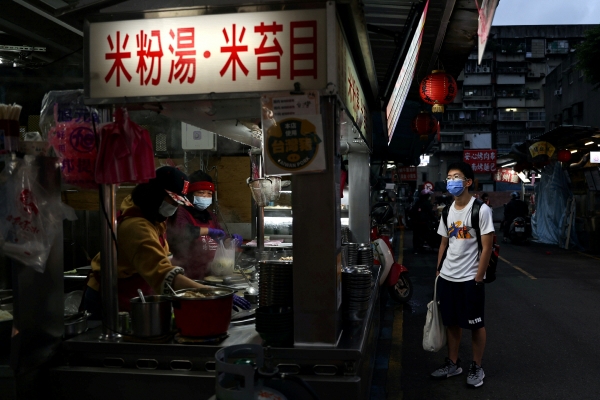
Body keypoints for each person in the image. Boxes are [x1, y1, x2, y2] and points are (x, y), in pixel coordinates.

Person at [84, 166, 250, 319]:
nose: (175, 208)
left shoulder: (156, 220)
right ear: (155, 194)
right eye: (173, 201)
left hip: (136, 293)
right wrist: (212, 292)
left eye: (178, 203)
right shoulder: (135, 226)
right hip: (109, 298)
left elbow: (165, 258)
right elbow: (162, 272)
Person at [431, 161, 494, 388]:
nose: (451, 181)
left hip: (470, 278)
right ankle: (453, 363)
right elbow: (444, 242)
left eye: (456, 177)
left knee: (476, 324)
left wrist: (479, 277)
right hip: (448, 277)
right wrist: (439, 271)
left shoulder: (481, 210)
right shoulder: (447, 210)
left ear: (467, 182)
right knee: (452, 323)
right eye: (449, 177)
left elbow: (487, 247)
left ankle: (477, 366)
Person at [167, 170, 243, 280]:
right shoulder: (180, 212)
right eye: (201, 193)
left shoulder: (210, 216)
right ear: (190, 194)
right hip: (186, 275)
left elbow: (221, 239)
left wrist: (231, 241)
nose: (205, 196)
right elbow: (182, 232)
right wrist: (209, 231)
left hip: (211, 274)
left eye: (209, 193)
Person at [412, 188, 435, 254]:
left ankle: (416, 248)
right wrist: (435, 220)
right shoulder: (426, 203)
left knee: (416, 236)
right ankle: (422, 246)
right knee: (425, 234)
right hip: (423, 223)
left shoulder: (417, 202)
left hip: (416, 222)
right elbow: (430, 213)